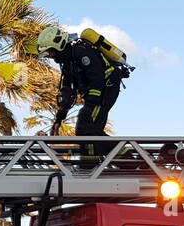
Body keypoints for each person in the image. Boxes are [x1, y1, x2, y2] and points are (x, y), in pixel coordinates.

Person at [38, 26, 132, 167]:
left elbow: (97, 78)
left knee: (86, 125)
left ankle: (118, 161)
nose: (50, 56)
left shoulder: (82, 52)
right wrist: (59, 119)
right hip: (97, 94)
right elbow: (67, 93)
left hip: (105, 90)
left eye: (50, 52)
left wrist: (92, 103)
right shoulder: (68, 63)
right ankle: (99, 162)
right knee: (88, 130)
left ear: (58, 45)